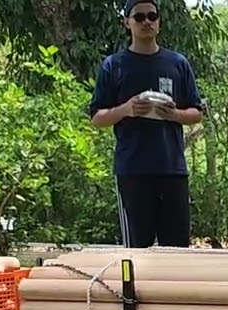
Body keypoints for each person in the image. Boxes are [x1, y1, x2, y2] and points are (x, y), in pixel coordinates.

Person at [88, 0, 205, 249]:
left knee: (176, 250)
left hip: (172, 170)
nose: (146, 22)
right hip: (133, 171)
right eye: (139, 17)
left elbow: (196, 113)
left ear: (159, 22)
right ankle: (132, 290)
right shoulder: (113, 66)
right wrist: (127, 109)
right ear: (127, 23)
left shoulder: (177, 63)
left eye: (152, 16)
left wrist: (173, 115)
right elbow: (97, 118)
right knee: (136, 252)